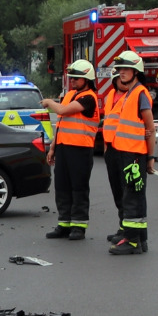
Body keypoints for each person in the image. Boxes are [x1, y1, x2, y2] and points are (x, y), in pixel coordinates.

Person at [102, 51, 157, 255]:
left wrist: (150, 157)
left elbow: (150, 128)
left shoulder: (140, 93)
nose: (122, 72)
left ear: (136, 71)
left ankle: (132, 241)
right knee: (133, 195)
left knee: (132, 197)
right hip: (126, 153)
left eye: (126, 69)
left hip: (133, 154)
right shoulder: (131, 93)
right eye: (120, 69)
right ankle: (140, 239)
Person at [40, 58, 100, 240]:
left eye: (76, 78)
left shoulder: (88, 98)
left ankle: (79, 226)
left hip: (80, 149)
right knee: (62, 187)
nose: (72, 80)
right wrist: (52, 149)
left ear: (87, 79)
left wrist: (50, 102)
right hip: (64, 148)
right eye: (71, 77)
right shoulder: (70, 95)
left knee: (78, 188)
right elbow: (60, 124)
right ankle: (64, 223)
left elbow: (63, 111)